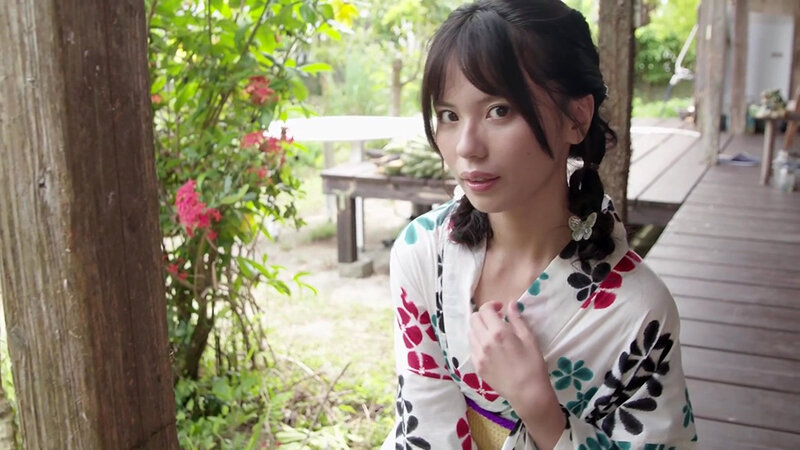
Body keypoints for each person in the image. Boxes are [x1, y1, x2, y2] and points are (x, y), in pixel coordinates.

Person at [384, 1, 698, 449]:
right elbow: (423, 423)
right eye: (449, 115)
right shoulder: (422, 251)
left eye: (499, 110)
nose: (467, 147)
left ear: (577, 118)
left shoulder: (639, 308)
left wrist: (540, 410)